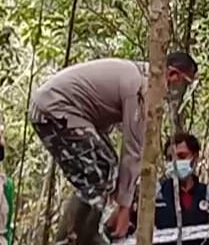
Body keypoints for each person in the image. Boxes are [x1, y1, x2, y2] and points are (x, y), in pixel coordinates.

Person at [30, 53, 197, 242]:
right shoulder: (142, 87)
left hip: (66, 112)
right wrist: (124, 209)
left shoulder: (139, 75)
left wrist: (121, 199)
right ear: (173, 75)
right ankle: (72, 237)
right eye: (184, 83)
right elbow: (133, 149)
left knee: (107, 168)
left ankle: (88, 234)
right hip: (56, 107)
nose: (180, 90)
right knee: (102, 170)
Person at [134, 132, 209, 234]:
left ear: (195, 158)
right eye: (170, 158)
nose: (175, 162)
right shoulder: (155, 195)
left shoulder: (208, 195)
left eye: (182, 156)